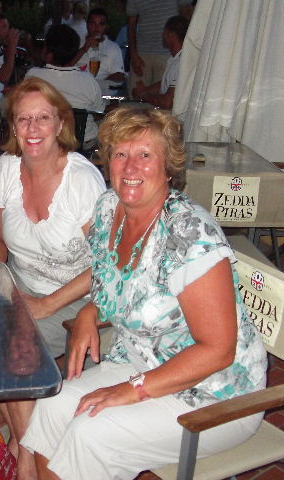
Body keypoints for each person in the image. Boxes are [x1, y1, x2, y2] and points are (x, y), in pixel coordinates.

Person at [20, 107, 267, 480]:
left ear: (168, 167)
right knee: (54, 406)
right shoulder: (109, 209)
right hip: (141, 359)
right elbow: (117, 281)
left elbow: (218, 350)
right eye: (121, 153)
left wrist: (134, 390)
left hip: (215, 393)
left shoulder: (189, 234)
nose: (130, 167)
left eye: (145, 155)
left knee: (92, 432)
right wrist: (90, 312)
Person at [0, 76, 105, 478]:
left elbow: (108, 263)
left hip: (78, 295)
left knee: (12, 346)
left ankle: (27, 459)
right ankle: (27, 445)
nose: (33, 128)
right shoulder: (6, 168)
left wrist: (45, 305)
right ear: (14, 126)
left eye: (43, 118)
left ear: (60, 123)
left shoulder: (82, 181)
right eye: (24, 119)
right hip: (20, 284)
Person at [25, 26, 104, 149]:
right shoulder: (88, 80)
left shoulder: (33, 76)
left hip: (44, 142)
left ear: (48, 51)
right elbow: (97, 113)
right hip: (81, 144)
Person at [126, 0, 191, 98]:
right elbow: (131, 25)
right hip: (142, 54)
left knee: (164, 96)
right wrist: (133, 55)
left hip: (168, 54)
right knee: (136, 96)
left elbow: (187, 13)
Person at [132, 15, 189, 110]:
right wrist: (145, 90)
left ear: (171, 35)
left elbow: (167, 102)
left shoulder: (182, 63)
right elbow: (167, 82)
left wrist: (144, 96)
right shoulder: (176, 59)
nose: (162, 35)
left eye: (164, 32)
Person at [72, 8, 126, 95]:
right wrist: (84, 48)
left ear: (106, 26)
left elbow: (119, 76)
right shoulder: (76, 43)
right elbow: (66, 66)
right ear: (87, 24)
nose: (96, 28)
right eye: (93, 23)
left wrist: (98, 85)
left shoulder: (113, 48)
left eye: (101, 24)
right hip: (78, 91)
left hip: (102, 93)